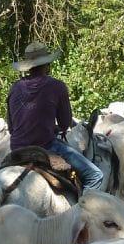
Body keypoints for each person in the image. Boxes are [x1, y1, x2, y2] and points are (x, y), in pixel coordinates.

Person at [7, 41, 103, 191]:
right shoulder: (56, 86)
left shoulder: (15, 88)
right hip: (46, 145)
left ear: (27, 66)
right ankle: (83, 212)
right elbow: (65, 124)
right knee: (95, 175)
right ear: (47, 64)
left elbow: (12, 127)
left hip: (16, 148)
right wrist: (54, 128)